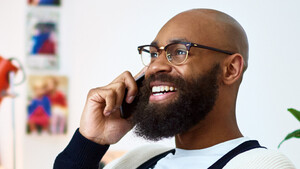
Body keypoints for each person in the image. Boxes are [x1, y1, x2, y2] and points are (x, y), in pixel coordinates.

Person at [54, 9, 295, 169]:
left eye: (179, 51)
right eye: (154, 53)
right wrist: (91, 142)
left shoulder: (262, 165)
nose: (155, 67)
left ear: (231, 69)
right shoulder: (139, 161)